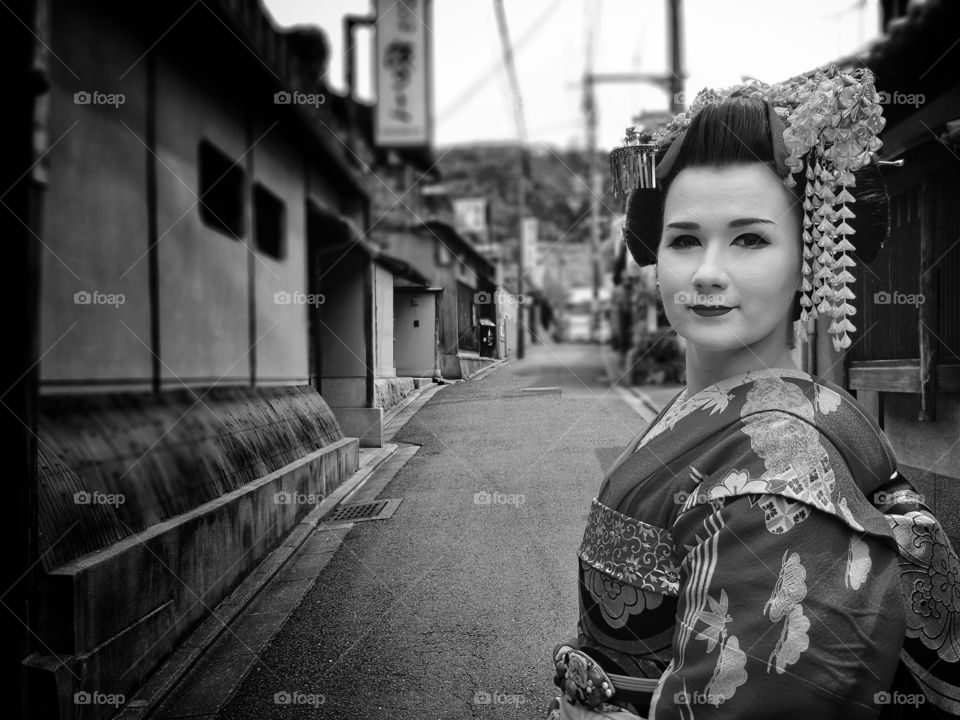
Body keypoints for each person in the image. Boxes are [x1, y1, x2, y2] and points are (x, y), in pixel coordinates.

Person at [547, 68, 960, 720]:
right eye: (685, 240)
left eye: (749, 239)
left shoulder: (780, 473)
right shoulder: (726, 409)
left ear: (807, 256)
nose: (708, 272)